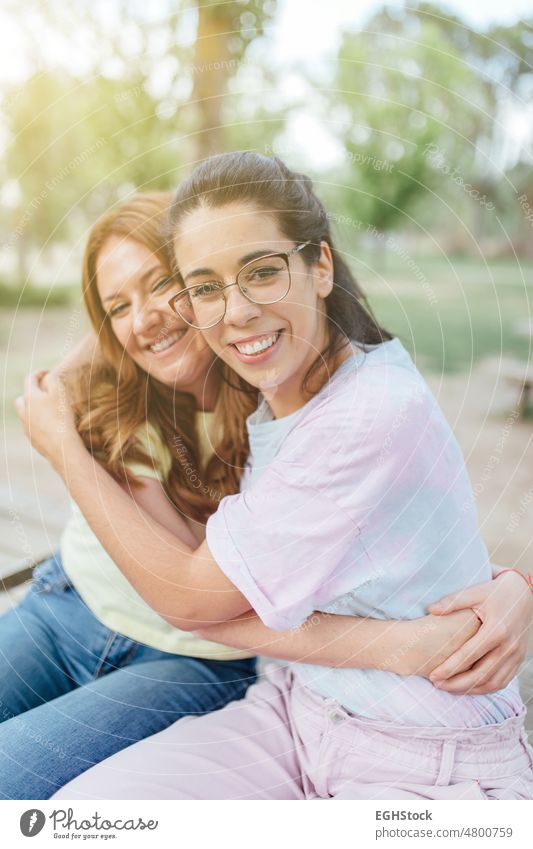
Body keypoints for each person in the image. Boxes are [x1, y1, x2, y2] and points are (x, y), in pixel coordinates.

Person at [18, 153, 533, 799]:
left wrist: (509, 587)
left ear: (319, 266)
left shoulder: (294, 385)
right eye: (205, 286)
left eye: (260, 273)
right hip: (118, 620)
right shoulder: (229, 371)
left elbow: (195, 593)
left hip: (264, 685)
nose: (232, 311)